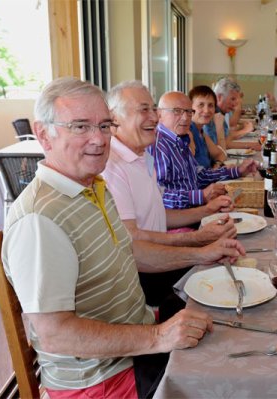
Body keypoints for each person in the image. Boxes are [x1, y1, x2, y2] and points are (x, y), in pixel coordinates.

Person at [1, 77, 242, 397]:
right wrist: (158, 337)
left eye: (104, 126)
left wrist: (202, 253)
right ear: (44, 133)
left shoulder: (92, 186)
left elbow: (130, 251)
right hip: (103, 380)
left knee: (231, 339)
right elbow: (56, 335)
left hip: (136, 341)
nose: (99, 139)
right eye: (80, 127)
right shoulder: (39, 219)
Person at [103, 81, 241, 308]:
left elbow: (159, 213)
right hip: (141, 279)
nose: (154, 118)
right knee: (222, 286)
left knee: (231, 267)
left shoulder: (142, 156)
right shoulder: (112, 166)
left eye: (153, 109)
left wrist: (207, 209)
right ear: (114, 118)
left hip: (158, 260)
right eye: (143, 109)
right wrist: (198, 242)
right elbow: (132, 240)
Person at [153, 91, 258, 210]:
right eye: (177, 111)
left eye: (188, 112)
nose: (185, 117)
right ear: (159, 114)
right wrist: (201, 196)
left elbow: (197, 177)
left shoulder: (180, 139)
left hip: (196, 210)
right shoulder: (158, 145)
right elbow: (158, 197)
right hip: (182, 220)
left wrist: (237, 171)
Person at [205, 77, 257, 150]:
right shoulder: (210, 114)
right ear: (219, 97)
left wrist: (253, 145)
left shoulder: (220, 112)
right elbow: (218, 145)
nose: (235, 103)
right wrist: (250, 144)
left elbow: (227, 136)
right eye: (232, 99)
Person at [188, 85, 227, 169]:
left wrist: (217, 165)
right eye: (201, 105)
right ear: (190, 108)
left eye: (210, 105)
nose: (206, 110)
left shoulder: (200, 131)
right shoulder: (188, 132)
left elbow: (221, 154)